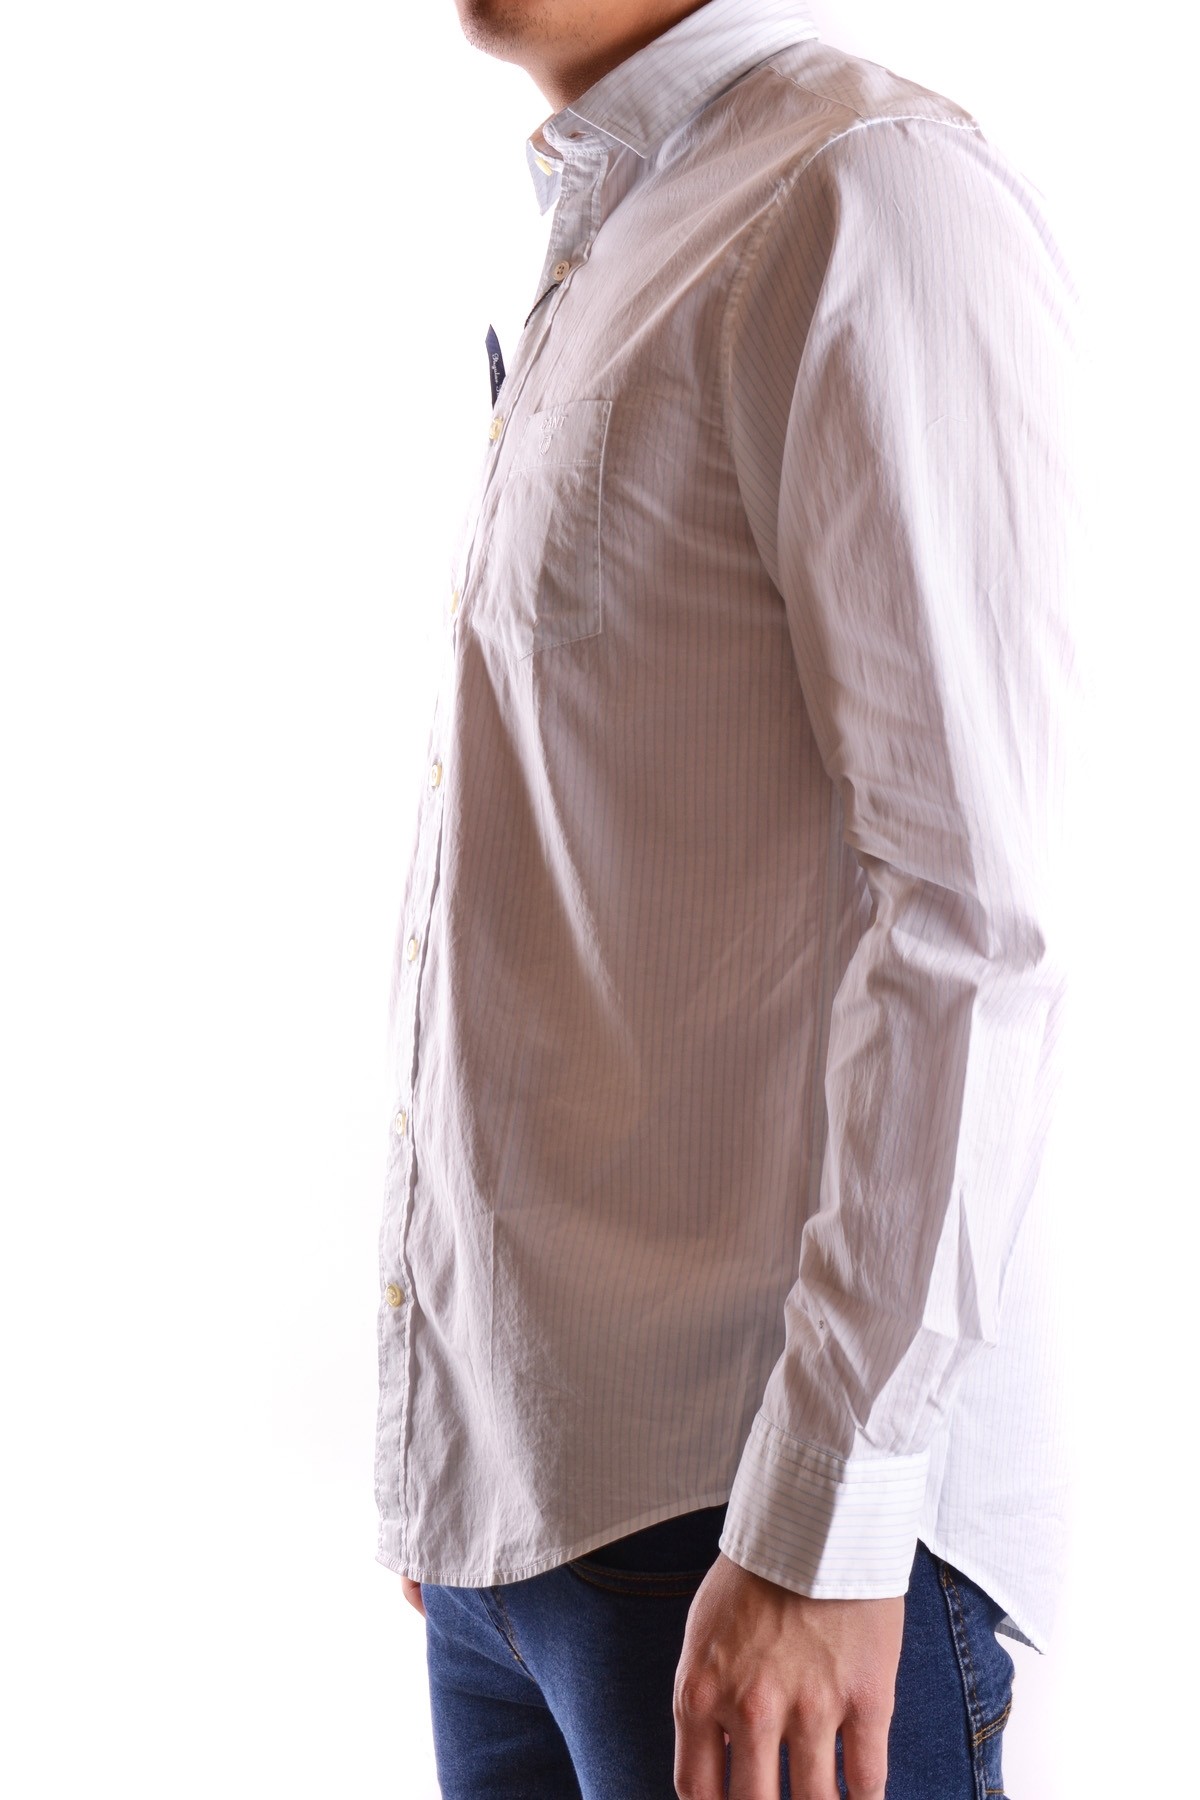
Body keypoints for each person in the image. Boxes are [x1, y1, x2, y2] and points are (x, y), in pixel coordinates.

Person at [373, 1, 1080, 1795]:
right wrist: (461, 1454)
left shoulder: (864, 193)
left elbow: (971, 919)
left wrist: (829, 1525)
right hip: (532, 1539)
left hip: (764, 1539)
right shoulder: (624, 226)